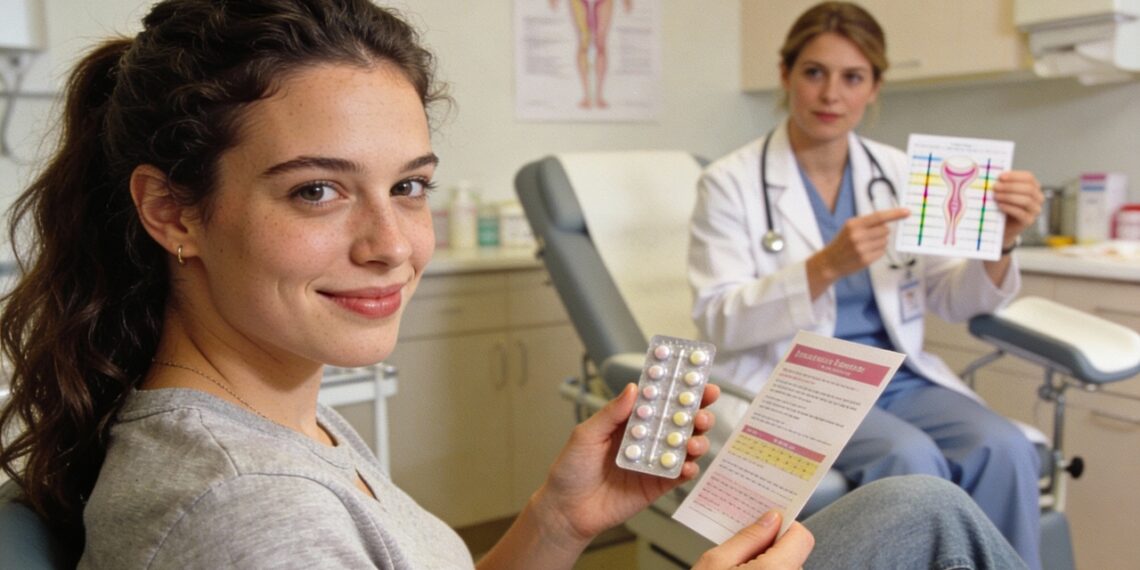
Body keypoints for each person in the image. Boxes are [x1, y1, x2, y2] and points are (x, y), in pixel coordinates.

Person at [0, 1, 1027, 568]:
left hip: (894, 368)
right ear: (173, 212)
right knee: (922, 514)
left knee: (920, 503)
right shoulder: (250, 516)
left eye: (409, 186)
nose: (392, 246)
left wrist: (552, 521)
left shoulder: (286, 420)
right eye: (317, 191)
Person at [688, 2, 1045, 569]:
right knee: (910, 457)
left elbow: (951, 298)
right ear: (786, 75)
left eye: (852, 77)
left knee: (1004, 447)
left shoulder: (901, 171)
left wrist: (1000, 242)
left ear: (874, 87)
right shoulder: (728, 183)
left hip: (898, 379)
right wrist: (824, 265)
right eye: (814, 72)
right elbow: (717, 319)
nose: (832, 93)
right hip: (803, 383)